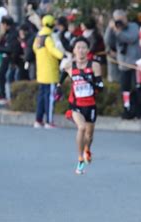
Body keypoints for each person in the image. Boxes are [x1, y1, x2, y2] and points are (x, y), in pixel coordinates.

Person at [56, 37, 103, 175]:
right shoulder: (70, 65)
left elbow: (101, 87)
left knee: (89, 134)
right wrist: (59, 87)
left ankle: (87, 149)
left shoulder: (94, 65)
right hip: (76, 105)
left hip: (91, 104)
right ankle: (80, 159)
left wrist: (92, 82)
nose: (81, 50)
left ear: (87, 50)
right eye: (78, 47)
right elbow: (63, 74)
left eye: (84, 47)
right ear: (74, 50)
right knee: (81, 128)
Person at [105, 9, 141, 119]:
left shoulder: (134, 26)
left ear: (125, 18)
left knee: (136, 89)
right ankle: (126, 110)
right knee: (125, 90)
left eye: (122, 19)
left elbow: (131, 39)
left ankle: (138, 111)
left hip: (135, 64)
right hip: (123, 64)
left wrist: (118, 31)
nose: (120, 22)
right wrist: (110, 28)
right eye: (118, 20)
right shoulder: (114, 28)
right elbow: (108, 41)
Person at [33, 14, 64, 128]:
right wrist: (63, 56)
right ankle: (49, 121)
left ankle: (38, 119)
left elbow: (34, 49)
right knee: (50, 97)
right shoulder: (48, 37)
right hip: (50, 72)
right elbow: (53, 50)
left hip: (41, 72)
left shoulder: (38, 37)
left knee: (41, 97)